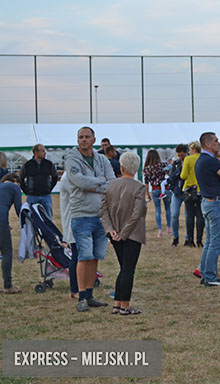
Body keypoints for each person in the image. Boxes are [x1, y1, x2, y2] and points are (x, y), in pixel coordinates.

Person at [64, 126, 115, 312]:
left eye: (87, 137)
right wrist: (100, 181)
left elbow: (111, 182)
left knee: (95, 257)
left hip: (100, 214)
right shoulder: (71, 159)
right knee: (84, 256)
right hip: (82, 214)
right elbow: (79, 181)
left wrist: (94, 184)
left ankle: (90, 294)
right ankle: (81, 296)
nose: (83, 140)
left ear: (94, 139)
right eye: (80, 137)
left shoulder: (101, 159)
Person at [100, 151, 147, 316]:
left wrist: (110, 229)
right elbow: (137, 213)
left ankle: (118, 303)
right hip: (131, 234)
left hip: (114, 233)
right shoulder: (139, 187)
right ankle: (125, 305)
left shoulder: (110, 185)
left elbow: (103, 210)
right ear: (136, 168)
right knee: (128, 269)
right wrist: (124, 233)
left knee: (123, 268)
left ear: (121, 166)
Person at [194, 132, 220, 287]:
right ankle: (210, 275)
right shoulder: (211, 161)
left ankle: (206, 272)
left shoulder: (202, 160)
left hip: (208, 202)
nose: (219, 143)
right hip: (216, 203)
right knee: (217, 241)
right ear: (208, 144)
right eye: (216, 141)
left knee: (211, 241)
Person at [19, 144, 58, 219]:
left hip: (46, 196)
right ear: (36, 152)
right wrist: (27, 191)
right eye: (42, 151)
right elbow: (21, 179)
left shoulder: (48, 164)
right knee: (32, 218)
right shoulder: (28, 165)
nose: (45, 153)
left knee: (48, 218)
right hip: (32, 196)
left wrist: (49, 188)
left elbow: (55, 177)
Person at [0, 173, 23, 294]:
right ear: (15, 180)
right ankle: (8, 286)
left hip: (2, 221)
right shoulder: (14, 187)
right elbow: (19, 209)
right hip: (1, 221)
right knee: (6, 253)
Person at [58, 172, 80, 299]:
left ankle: (81, 285)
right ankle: (74, 288)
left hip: (80, 221)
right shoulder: (68, 178)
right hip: (73, 222)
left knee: (82, 255)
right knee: (76, 256)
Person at [143, 149, 171, 238]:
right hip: (165, 188)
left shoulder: (147, 169)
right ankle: (169, 228)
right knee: (167, 208)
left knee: (157, 210)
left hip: (155, 189)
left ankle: (159, 230)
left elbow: (146, 182)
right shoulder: (162, 165)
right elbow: (170, 170)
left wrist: (147, 193)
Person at [181, 141, 203, 247]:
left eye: (190, 149)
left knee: (190, 216)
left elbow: (183, 175)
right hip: (200, 190)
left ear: (193, 149)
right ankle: (199, 240)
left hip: (189, 189)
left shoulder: (188, 159)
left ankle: (190, 239)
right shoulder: (202, 158)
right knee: (200, 215)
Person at [167, 144, 188, 246]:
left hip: (187, 191)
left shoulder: (189, 161)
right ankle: (175, 237)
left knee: (188, 216)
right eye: (179, 155)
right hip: (177, 191)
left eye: (182, 155)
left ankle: (188, 237)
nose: (181, 157)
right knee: (174, 215)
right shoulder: (176, 163)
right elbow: (172, 176)